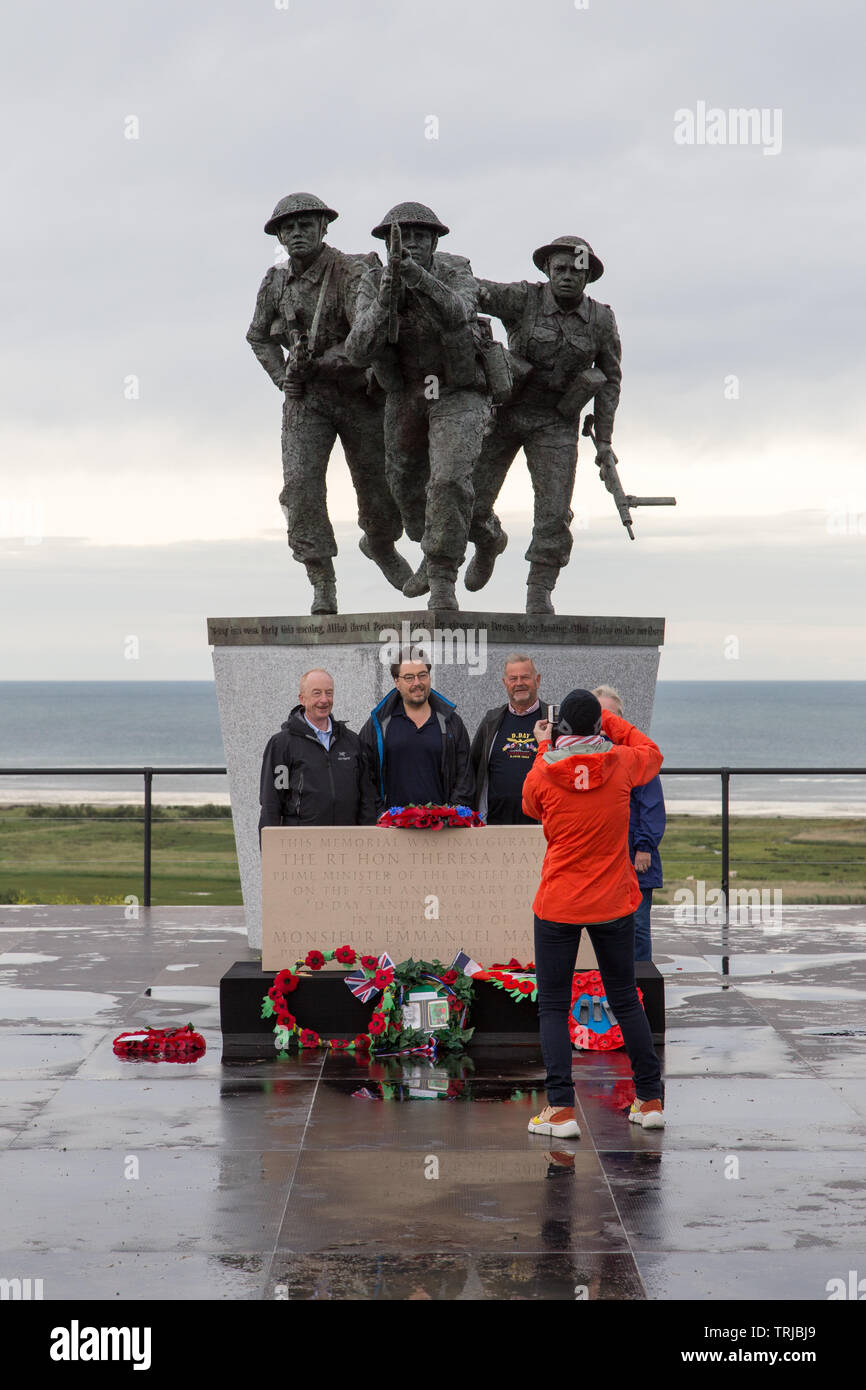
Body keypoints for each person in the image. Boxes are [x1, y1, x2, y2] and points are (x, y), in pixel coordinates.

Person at [246, 192, 410, 614]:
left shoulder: (352, 271)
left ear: (323, 228)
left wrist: (321, 360)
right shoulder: (275, 282)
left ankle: (380, 542)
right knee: (300, 488)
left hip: (358, 392)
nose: (297, 233)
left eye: (306, 224)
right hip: (307, 400)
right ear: (279, 235)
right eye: (288, 227)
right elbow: (259, 336)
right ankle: (321, 579)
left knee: (377, 485)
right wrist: (284, 378)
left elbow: (364, 337)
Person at [520, 688, 665, 1137]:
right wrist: (610, 722)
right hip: (612, 900)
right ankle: (650, 1098)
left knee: (553, 1004)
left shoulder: (545, 770)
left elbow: (529, 805)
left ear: (563, 725)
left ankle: (561, 1110)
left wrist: (545, 745)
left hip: (560, 901)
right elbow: (652, 754)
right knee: (624, 997)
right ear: (599, 725)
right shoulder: (620, 764)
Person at [346, 202, 491, 610]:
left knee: (446, 482)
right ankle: (458, 541)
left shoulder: (455, 268)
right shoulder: (373, 281)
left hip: (457, 390)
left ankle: (443, 575)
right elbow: (357, 350)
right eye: (402, 237)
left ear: (434, 241)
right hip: (408, 392)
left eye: (420, 236)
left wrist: (420, 279)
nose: (410, 244)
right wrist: (384, 301)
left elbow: (462, 312)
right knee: (405, 488)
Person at [465, 235, 622, 614]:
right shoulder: (523, 299)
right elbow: (474, 291)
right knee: (467, 500)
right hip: (507, 412)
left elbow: (611, 378)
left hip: (557, 421)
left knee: (554, 511)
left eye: (576, 270)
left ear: (588, 277)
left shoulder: (601, 319)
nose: (567, 276)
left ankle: (540, 588)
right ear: (547, 271)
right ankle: (489, 540)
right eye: (560, 269)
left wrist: (604, 440)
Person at [258, 668, 376, 838]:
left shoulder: (352, 741)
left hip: (348, 841)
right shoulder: (282, 744)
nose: (324, 700)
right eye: (316, 693)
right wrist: (270, 853)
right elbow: (272, 801)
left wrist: (368, 839)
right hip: (302, 843)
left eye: (329, 693)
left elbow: (367, 799)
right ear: (302, 699)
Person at [594, 685, 666, 962]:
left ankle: (640, 984)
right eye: (599, 715)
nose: (605, 723)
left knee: (637, 926)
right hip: (600, 859)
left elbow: (652, 804)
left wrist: (644, 847)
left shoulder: (637, 756)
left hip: (634, 856)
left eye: (610, 716)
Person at [358, 650, 474, 815]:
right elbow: (365, 777)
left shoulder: (451, 723)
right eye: (409, 677)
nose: (417, 683)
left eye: (422, 675)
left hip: (441, 828)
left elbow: (465, 776)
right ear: (396, 682)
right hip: (393, 828)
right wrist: (381, 815)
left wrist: (452, 816)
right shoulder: (379, 725)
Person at [470, 653, 544, 823]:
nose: (519, 683)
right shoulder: (491, 720)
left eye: (525, 677)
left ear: (537, 680)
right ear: (505, 683)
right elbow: (473, 768)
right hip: (495, 826)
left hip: (541, 827)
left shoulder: (552, 721)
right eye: (513, 678)